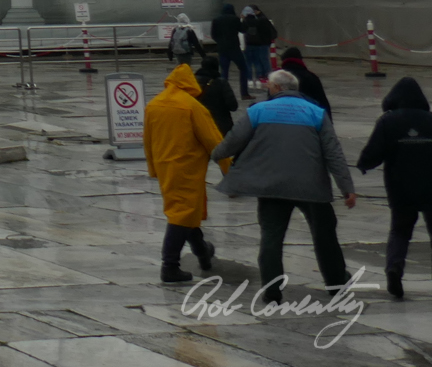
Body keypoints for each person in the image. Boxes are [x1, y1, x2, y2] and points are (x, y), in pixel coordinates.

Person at [212, 69, 355, 304]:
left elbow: (234, 140)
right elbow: (334, 153)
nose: (268, 89)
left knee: (271, 236)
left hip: (272, 185)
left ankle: (272, 290)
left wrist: (216, 154)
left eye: (269, 86)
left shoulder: (258, 111)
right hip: (311, 186)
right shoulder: (316, 113)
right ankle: (336, 282)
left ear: (277, 88)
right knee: (324, 234)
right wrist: (346, 187)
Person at [144, 65, 229, 283]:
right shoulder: (192, 106)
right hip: (188, 169)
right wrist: (230, 169)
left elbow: (148, 141)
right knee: (182, 214)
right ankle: (169, 266)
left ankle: (202, 252)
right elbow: (214, 141)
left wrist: (153, 168)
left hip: (165, 167)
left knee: (186, 211)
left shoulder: (154, 104)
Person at [356, 76, 432, 301]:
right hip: (430, 187)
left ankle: (394, 270)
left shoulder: (388, 121)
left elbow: (374, 152)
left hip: (400, 188)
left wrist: (363, 164)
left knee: (400, 231)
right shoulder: (430, 120)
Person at [195, 57, 240, 137]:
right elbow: (233, 106)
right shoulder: (221, 83)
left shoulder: (192, 82)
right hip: (221, 125)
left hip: (198, 124)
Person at [279, 48, 331, 116]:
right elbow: (322, 102)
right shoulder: (311, 77)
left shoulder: (277, 78)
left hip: (281, 117)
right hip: (307, 117)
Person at [208, 4, 246, 95]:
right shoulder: (235, 19)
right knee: (244, 68)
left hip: (222, 48)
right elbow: (243, 30)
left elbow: (213, 35)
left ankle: (223, 92)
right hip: (234, 47)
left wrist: (220, 42)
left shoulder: (216, 20)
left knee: (224, 71)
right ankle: (244, 93)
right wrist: (244, 20)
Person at [241, 7, 276, 98]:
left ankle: (249, 80)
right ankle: (258, 78)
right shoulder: (258, 21)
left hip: (248, 44)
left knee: (248, 62)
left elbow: (242, 31)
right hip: (257, 44)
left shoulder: (245, 22)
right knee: (257, 61)